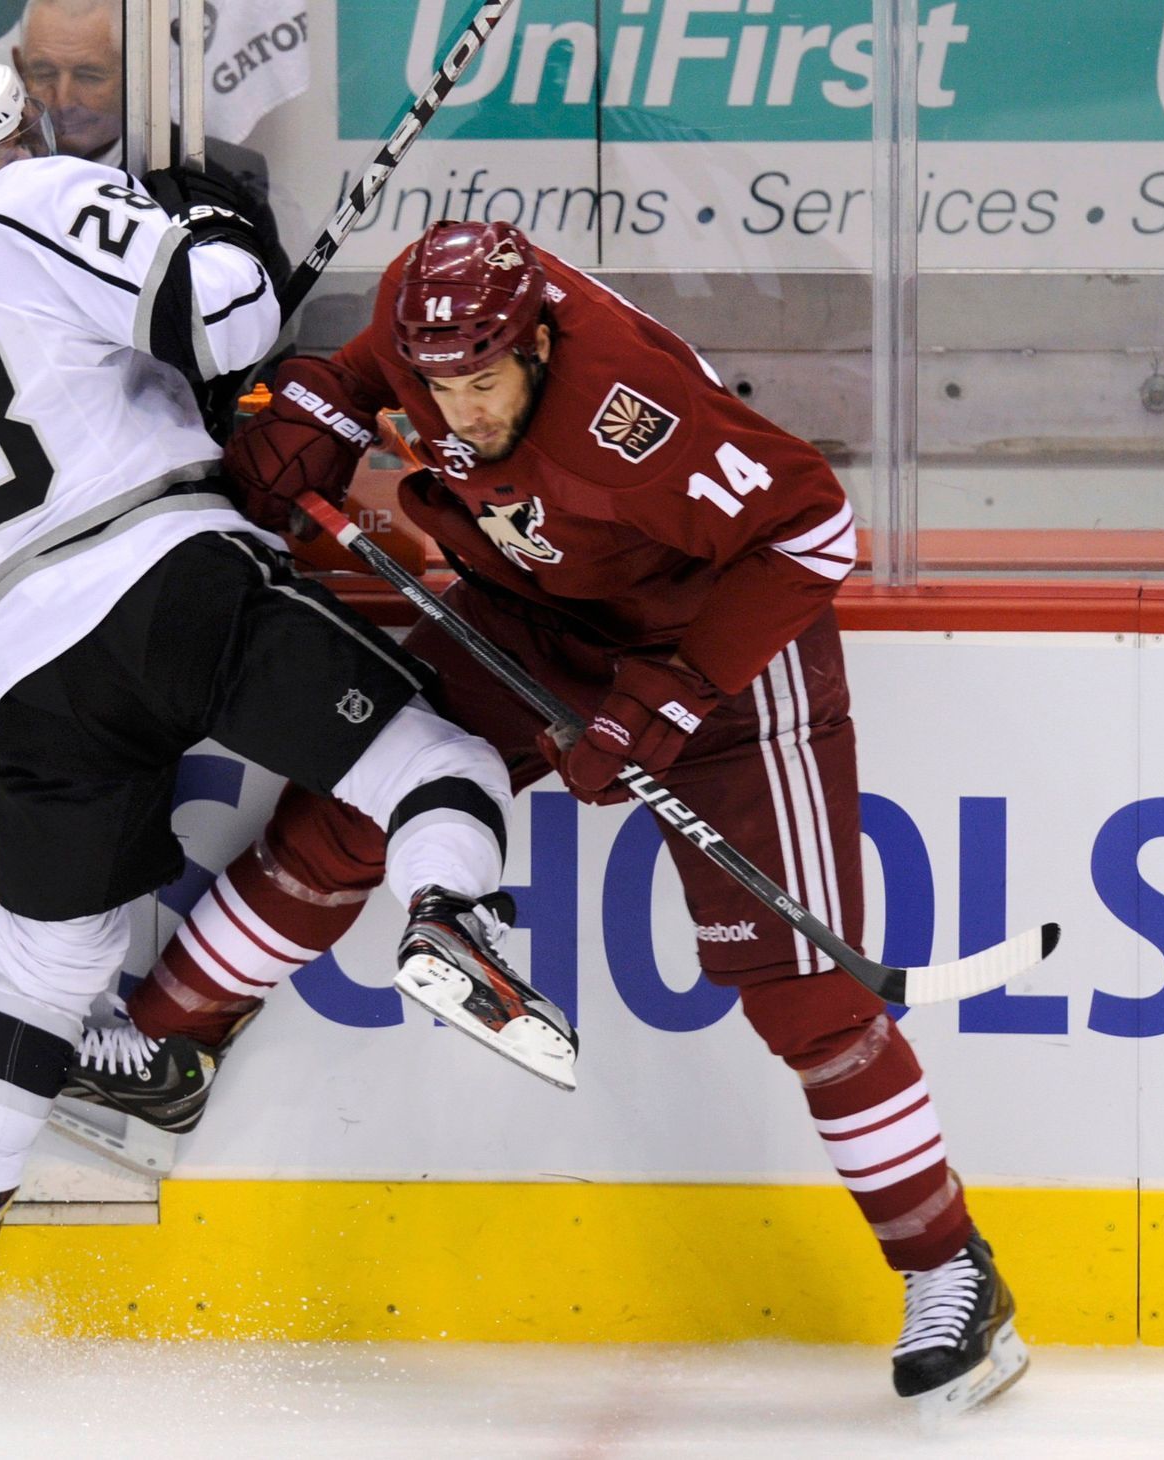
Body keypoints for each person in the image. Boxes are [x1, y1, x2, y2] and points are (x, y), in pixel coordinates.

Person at [64, 219, 1029, 1416]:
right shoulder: (436, 319)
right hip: (537, 612)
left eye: (480, 385)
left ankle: (950, 1271)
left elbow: (812, 528)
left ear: (534, 343)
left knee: (807, 996)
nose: (456, 410)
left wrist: (666, 696)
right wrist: (318, 415)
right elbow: (369, 373)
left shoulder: (632, 415)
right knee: (361, 789)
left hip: (719, 657)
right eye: (436, 386)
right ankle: (169, 1043)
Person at [0, 52, 575, 1363]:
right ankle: (455, 919)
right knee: (431, 760)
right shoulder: (27, 201)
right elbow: (229, 318)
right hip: (164, 579)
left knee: (43, 964)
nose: (20, 144)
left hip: (19, 671)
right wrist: (209, 222)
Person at [11, 0, 289, 287]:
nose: (64, 100)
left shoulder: (219, 181)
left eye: (88, 76)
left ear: (136, 74)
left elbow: (265, 315)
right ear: (20, 67)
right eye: (44, 73)